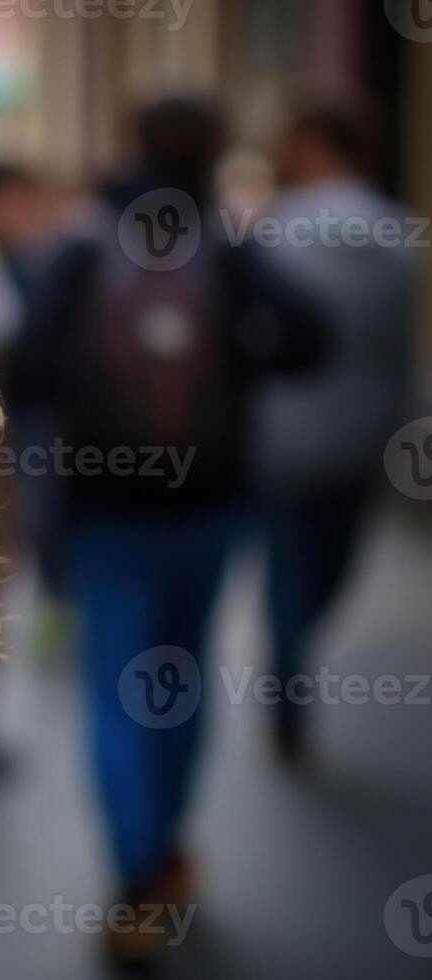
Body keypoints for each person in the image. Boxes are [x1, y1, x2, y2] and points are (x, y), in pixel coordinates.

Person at [12, 96, 326, 971]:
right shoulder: (225, 245)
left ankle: (136, 868)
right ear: (217, 151)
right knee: (184, 682)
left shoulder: (81, 245)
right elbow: (313, 339)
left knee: (115, 694)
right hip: (210, 505)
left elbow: (24, 369)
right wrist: (235, 360)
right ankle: (171, 846)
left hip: (105, 511)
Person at [249, 99, 416, 762]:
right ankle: (293, 663)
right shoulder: (397, 232)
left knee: (289, 570)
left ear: (313, 144)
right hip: (361, 434)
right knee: (332, 563)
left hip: (279, 437)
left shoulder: (274, 228)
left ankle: (288, 673)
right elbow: (396, 348)